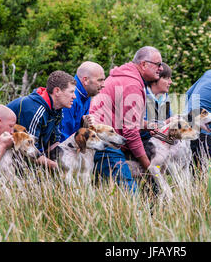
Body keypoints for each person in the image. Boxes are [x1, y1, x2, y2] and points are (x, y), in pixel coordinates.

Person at [90, 46, 164, 192]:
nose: (161, 69)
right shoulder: (132, 84)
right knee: (130, 192)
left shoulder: (125, 77)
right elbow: (130, 132)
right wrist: (148, 166)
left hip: (107, 137)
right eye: (158, 64)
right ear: (144, 65)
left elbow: (125, 120)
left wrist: (148, 125)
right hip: (106, 143)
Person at [7, 70, 76, 169]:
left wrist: (68, 160)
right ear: (57, 91)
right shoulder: (34, 110)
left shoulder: (58, 110)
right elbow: (28, 150)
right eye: (71, 92)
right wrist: (56, 167)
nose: (74, 96)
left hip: (30, 154)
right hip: (10, 155)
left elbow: (53, 143)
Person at [60, 61, 105, 141]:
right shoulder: (71, 97)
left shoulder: (86, 95)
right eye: (99, 80)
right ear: (86, 80)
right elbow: (63, 138)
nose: (103, 85)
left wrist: (85, 125)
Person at [141, 62, 173, 140]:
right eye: (166, 78)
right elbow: (137, 127)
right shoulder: (141, 95)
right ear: (155, 79)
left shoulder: (165, 97)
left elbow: (170, 120)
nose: (170, 82)